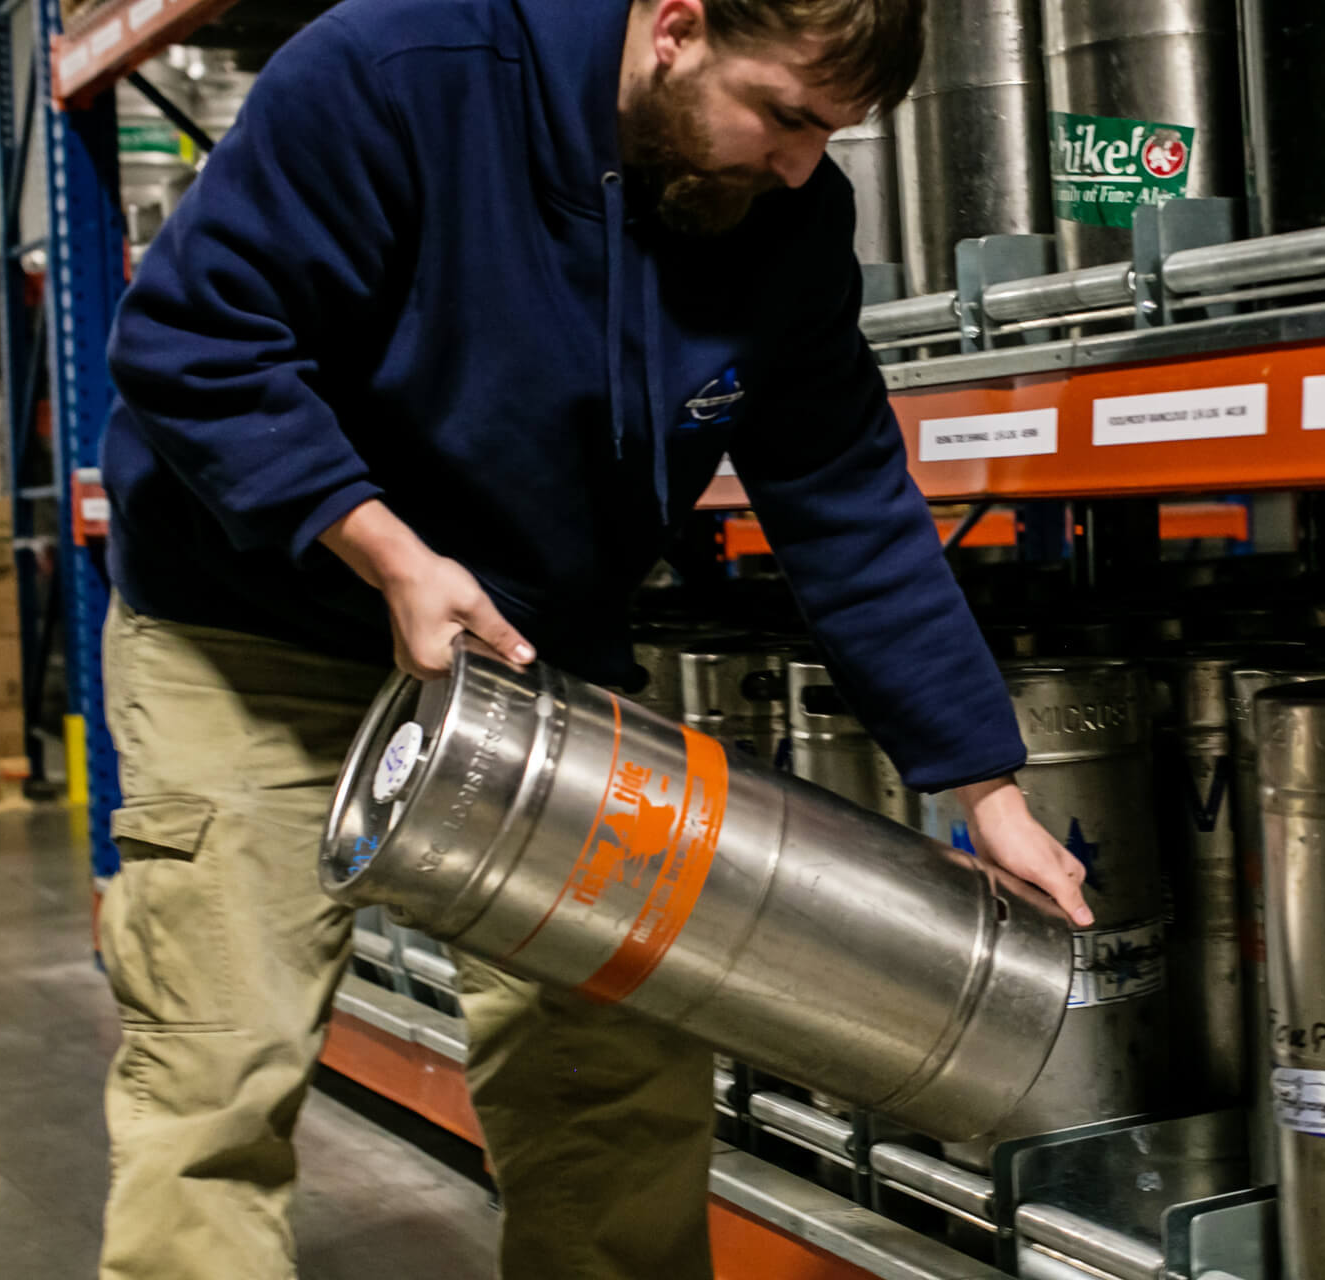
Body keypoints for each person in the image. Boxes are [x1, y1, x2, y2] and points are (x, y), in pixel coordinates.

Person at [94, 0, 1095, 1274]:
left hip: (530, 657)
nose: (801, 165)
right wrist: (385, 549)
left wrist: (980, 777)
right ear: (675, 26)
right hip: (256, 639)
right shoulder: (398, 72)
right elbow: (197, 339)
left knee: (618, 1060)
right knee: (219, 1065)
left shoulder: (782, 216)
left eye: (829, 136)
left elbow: (844, 501)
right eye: (784, 116)